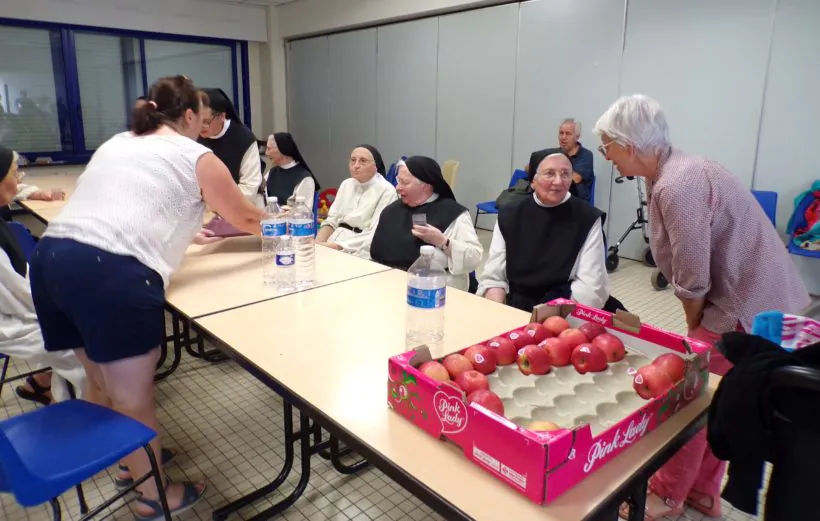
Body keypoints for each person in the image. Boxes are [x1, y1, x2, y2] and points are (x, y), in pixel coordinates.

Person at [28, 75, 265, 520]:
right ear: (191, 115)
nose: (206, 127)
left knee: (99, 382)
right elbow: (246, 216)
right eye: (203, 118)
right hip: (108, 272)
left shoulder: (118, 141)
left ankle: (128, 464)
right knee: (134, 398)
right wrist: (296, 230)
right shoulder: (196, 154)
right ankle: (152, 496)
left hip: (53, 258)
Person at [594, 94, 811, 521]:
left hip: (744, 307)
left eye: (607, 146)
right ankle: (703, 493)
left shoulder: (679, 183)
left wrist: (694, 328)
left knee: (689, 400)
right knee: (722, 397)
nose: (606, 156)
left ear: (629, 145)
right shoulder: (672, 169)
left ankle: (668, 497)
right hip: (761, 301)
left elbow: (693, 278)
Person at [0, 145, 86, 405]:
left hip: (16, 307)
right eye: (16, 174)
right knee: (85, 351)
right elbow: (18, 299)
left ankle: (62, 395)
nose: (19, 181)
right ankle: (90, 421)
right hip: (9, 322)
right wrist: (61, 307)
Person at [478, 153, 609, 311]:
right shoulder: (510, 213)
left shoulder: (587, 218)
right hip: (517, 303)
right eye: (550, 173)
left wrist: (549, 321)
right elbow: (495, 274)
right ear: (533, 180)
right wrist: (497, 310)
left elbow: (590, 286)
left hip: (564, 306)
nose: (558, 181)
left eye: (565, 174)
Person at [361, 156, 482, 291]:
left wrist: (443, 242)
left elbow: (474, 257)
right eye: (398, 181)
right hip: (384, 285)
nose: (397, 187)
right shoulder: (391, 210)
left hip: (432, 291)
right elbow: (373, 247)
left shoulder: (453, 213)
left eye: (404, 182)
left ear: (426, 186)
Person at [316, 145, 397, 253]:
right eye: (353, 160)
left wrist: (335, 246)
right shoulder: (346, 184)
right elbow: (331, 221)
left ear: (375, 166)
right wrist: (317, 245)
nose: (356, 165)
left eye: (363, 161)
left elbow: (375, 233)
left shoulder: (387, 190)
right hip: (333, 241)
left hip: (361, 248)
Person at [198, 88, 264, 207]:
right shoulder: (192, 136)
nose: (200, 127)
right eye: (196, 121)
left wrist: (215, 203)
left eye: (206, 121)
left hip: (238, 208)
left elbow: (250, 186)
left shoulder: (244, 138)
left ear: (222, 116)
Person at [527, 118, 595, 203]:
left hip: (575, 203)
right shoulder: (555, 153)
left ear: (577, 137)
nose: (563, 137)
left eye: (568, 134)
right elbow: (529, 167)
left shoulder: (586, 155)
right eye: (561, 133)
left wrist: (548, 172)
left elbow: (574, 179)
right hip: (553, 199)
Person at [264, 132, 320, 208]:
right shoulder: (270, 173)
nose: (266, 153)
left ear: (281, 149)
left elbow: (303, 213)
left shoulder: (304, 178)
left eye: (269, 148)